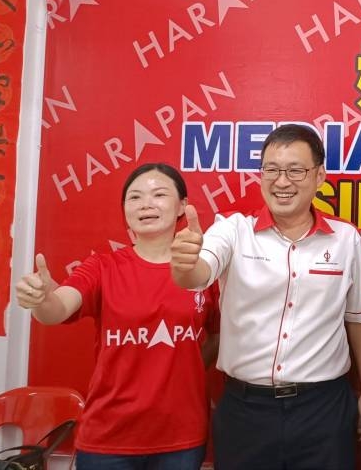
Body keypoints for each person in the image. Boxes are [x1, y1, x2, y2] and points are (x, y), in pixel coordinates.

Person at [170, 123, 361, 470]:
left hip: (324, 410)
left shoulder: (346, 239)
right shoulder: (233, 230)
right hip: (245, 411)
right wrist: (185, 265)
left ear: (319, 176)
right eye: (271, 170)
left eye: (295, 170)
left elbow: (358, 319)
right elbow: (197, 272)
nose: (282, 181)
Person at [15, 163, 219, 470]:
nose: (146, 204)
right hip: (108, 437)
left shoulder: (204, 273)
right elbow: (57, 309)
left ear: (182, 206)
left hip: (182, 436)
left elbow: (218, 335)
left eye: (159, 194)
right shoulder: (102, 267)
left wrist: (184, 365)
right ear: (124, 209)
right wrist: (41, 299)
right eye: (135, 197)